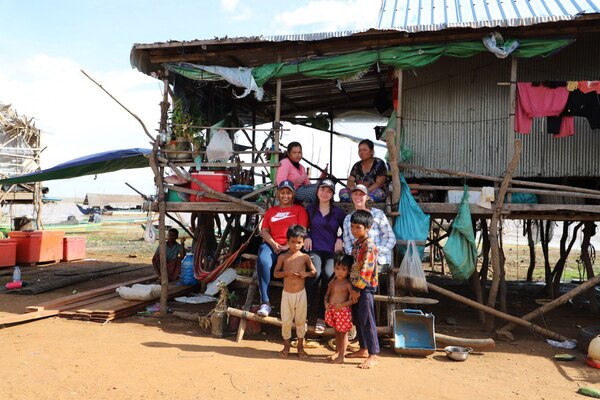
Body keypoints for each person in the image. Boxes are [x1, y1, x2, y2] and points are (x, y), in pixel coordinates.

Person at [256, 180, 309, 317]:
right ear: (278, 194)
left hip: (291, 246)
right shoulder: (271, 211)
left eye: (288, 193)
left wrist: (288, 246)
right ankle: (265, 303)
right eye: (283, 193)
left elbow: (302, 231)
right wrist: (273, 244)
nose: (285, 196)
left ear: (293, 194)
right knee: (263, 261)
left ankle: (295, 307)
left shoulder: (299, 210)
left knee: (294, 268)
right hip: (272, 244)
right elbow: (264, 231)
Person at [303, 178, 346, 333]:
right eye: (322, 189)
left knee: (328, 275)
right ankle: (305, 316)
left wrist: (340, 239)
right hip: (314, 249)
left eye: (329, 191)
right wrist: (306, 236)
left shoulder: (338, 212)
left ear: (333, 194)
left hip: (330, 252)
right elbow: (303, 226)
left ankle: (322, 317)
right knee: (314, 274)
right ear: (317, 191)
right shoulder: (310, 209)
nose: (325, 193)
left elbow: (345, 229)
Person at [273, 225, 317, 359]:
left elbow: (314, 272)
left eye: (299, 242)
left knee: (300, 320)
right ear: (287, 241)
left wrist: (306, 274)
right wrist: (286, 273)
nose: (296, 245)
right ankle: (286, 346)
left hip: (300, 294)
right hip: (287, 294)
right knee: (286, 320)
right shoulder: (283, 257)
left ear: (303, 242)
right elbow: (275, 274)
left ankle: (300, 347)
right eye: (292, 242)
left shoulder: (305, 257)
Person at [347, 210, 380, 369]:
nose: (354, 230)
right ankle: (363, 349)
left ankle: (373, 354)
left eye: (358, 227)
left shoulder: (369, 245)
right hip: (356, 287)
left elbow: (367, 270)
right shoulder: (357, 244)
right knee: (359, 319)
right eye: (352, 227)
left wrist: (357, 289)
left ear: (368, 227)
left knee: (367, 320)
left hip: (364, 288)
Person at [343, 184, 395, 272]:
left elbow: (390, 238)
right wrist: (357, 253)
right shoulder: (348, 218)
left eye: (361, 194)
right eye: (355, 194)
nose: (358, 197)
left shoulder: (378, 214)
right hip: (357, 258)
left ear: (367, 197)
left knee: (365, 270)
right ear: (352, 196)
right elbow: (347, 243)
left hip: (379, 258)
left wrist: (375, 252)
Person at [324, 253, 354, 364]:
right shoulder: (332, 282)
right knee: (337, 332)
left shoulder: (347, 284)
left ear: (349, 271)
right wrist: (326, 303)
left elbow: (353, 300)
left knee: (343, 333)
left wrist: (342, 305)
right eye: (337, 268)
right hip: (333, 310)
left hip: (343, 312)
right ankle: (337, 352)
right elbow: (327, 295)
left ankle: (342, 356)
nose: (340, 272)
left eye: (343, 269)